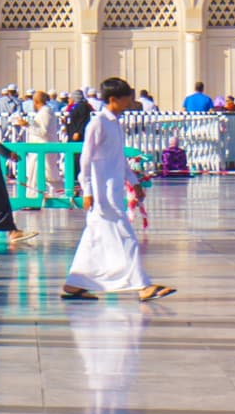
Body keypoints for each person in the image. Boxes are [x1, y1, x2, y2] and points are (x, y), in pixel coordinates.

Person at [59, 78, 171, 302]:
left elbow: (119, 158)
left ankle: (74, 284)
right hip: (102, 192)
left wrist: (133, 181)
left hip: (113, 189)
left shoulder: (114, 123)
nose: (130, 100)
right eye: (126, 96)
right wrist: (88, 190)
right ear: (113, 99)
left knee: (94, 237)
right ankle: (142, 285)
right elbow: (86, 159)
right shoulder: (98, 123)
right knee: (125, 236)